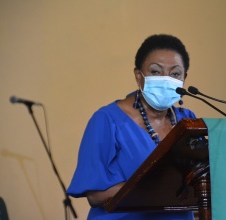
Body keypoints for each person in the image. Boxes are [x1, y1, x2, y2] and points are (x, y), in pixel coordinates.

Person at [67, 34, 197, 220]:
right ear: (139, 76)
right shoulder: (107, 120)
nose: (166, 79)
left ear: (184, 78)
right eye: (155, 71)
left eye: (175, 73)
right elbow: (95, 195)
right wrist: (157, 190)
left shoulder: (188, 121)